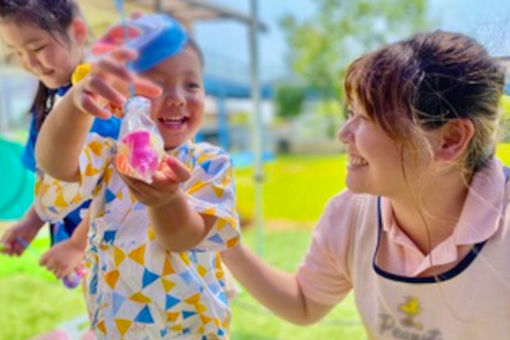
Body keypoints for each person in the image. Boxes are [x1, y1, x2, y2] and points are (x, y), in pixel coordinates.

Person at [221, 30, 509, 340]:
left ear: (451, 139)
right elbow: (304, 303)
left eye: (367, 116)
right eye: (350, 113)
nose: (344, 134)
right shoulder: (350, 215)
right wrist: (222, 237)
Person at [34, 15, 240, 339]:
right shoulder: (109, 156)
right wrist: (76, 103)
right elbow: (57, 164)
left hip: (189, 328)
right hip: (116, 328)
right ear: (118, 103)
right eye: (156, 85)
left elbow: (184, 237)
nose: (177, 97)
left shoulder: (209, 163)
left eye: (192, 84)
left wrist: (167, 199)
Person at [0, 0, 120, 280]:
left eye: (38, 48)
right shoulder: (47, 102)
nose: (28, 62)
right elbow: (51, 179)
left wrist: (79, 242)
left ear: (78, 31)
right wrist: (31, 222)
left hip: (117, 244)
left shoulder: (102, 98)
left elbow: (119, 181)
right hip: (80, 249)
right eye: (16, 52)